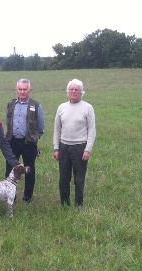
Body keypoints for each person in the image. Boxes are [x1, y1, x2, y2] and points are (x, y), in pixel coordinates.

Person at [53, 79, 96, 207]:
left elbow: (92, 130)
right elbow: (57, 129)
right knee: (64, 178)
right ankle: (65, 204)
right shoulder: (62, 107)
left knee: (79, 178)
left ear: (81, 92)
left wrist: (87, 149)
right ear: (68, 92)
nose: (73, 92)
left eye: (76, 89)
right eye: (71, 89)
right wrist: (56, 148)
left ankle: (79, 205)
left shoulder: (88, 108)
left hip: (80, 147)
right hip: (64, 146)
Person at [5, 78, 45, 204]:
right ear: (16, 90)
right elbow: (8, 122)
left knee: (29, 170)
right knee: (10, 169)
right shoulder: (11, 105)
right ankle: (11, 197)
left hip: (29, 143)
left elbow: (41, 126)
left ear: (30, 90)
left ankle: (28, 198)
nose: (22, 92)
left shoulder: (36, 105)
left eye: (25, 89)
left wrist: (34, 140)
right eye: (20, 89)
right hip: (13, 142)